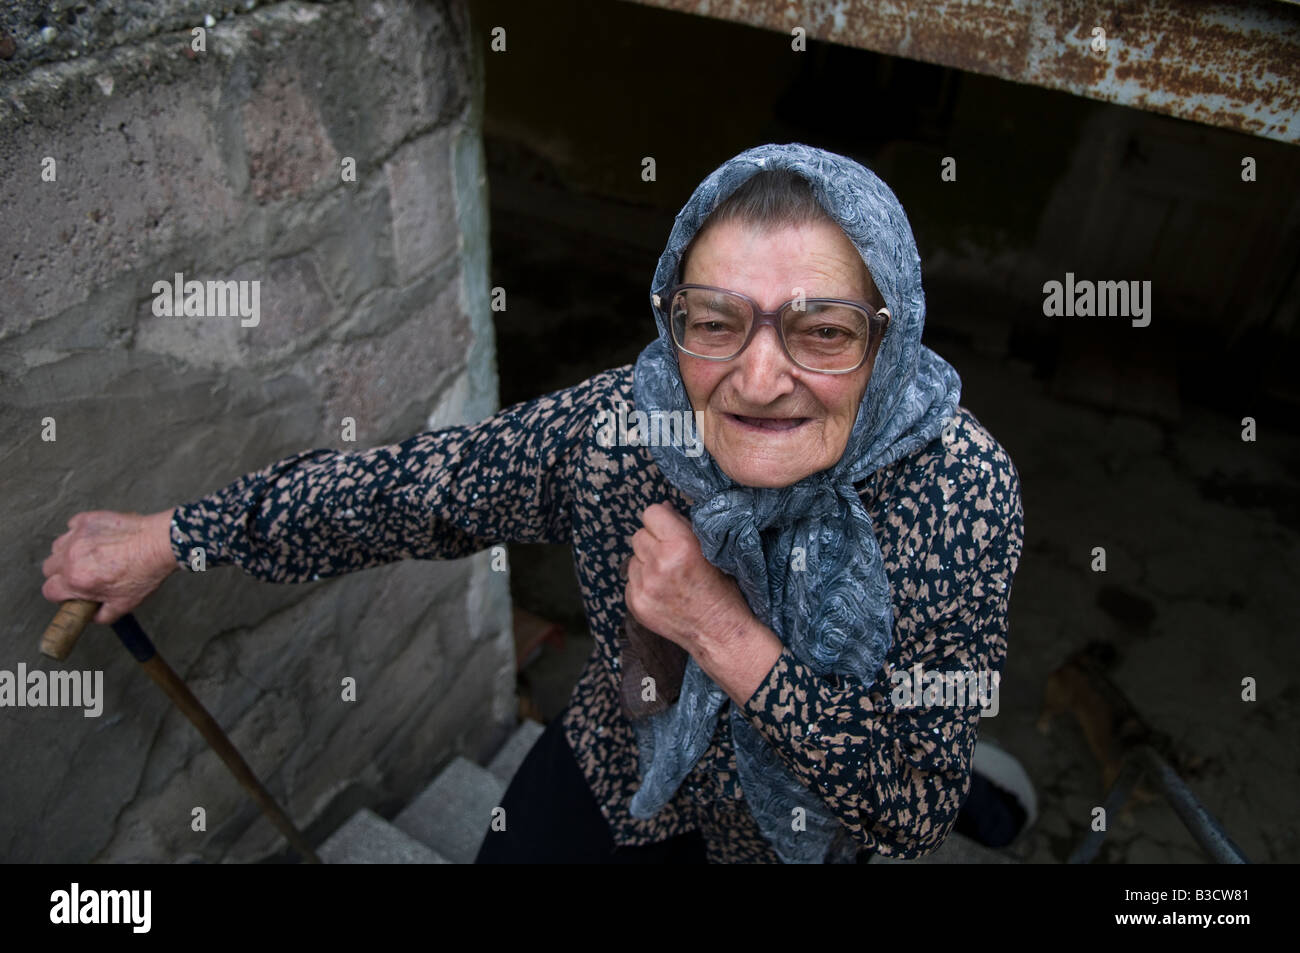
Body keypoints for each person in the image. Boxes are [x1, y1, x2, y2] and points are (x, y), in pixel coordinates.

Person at [41, 143, 1028, 864]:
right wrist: (178, 534)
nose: (756, 377)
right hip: (620, 762)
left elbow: (912, 799)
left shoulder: (957, 490)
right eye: (714, 321)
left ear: (887, 337)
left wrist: (721, 634)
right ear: (669, 316)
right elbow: (410, 492)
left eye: (820, 330)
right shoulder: (621, 427)